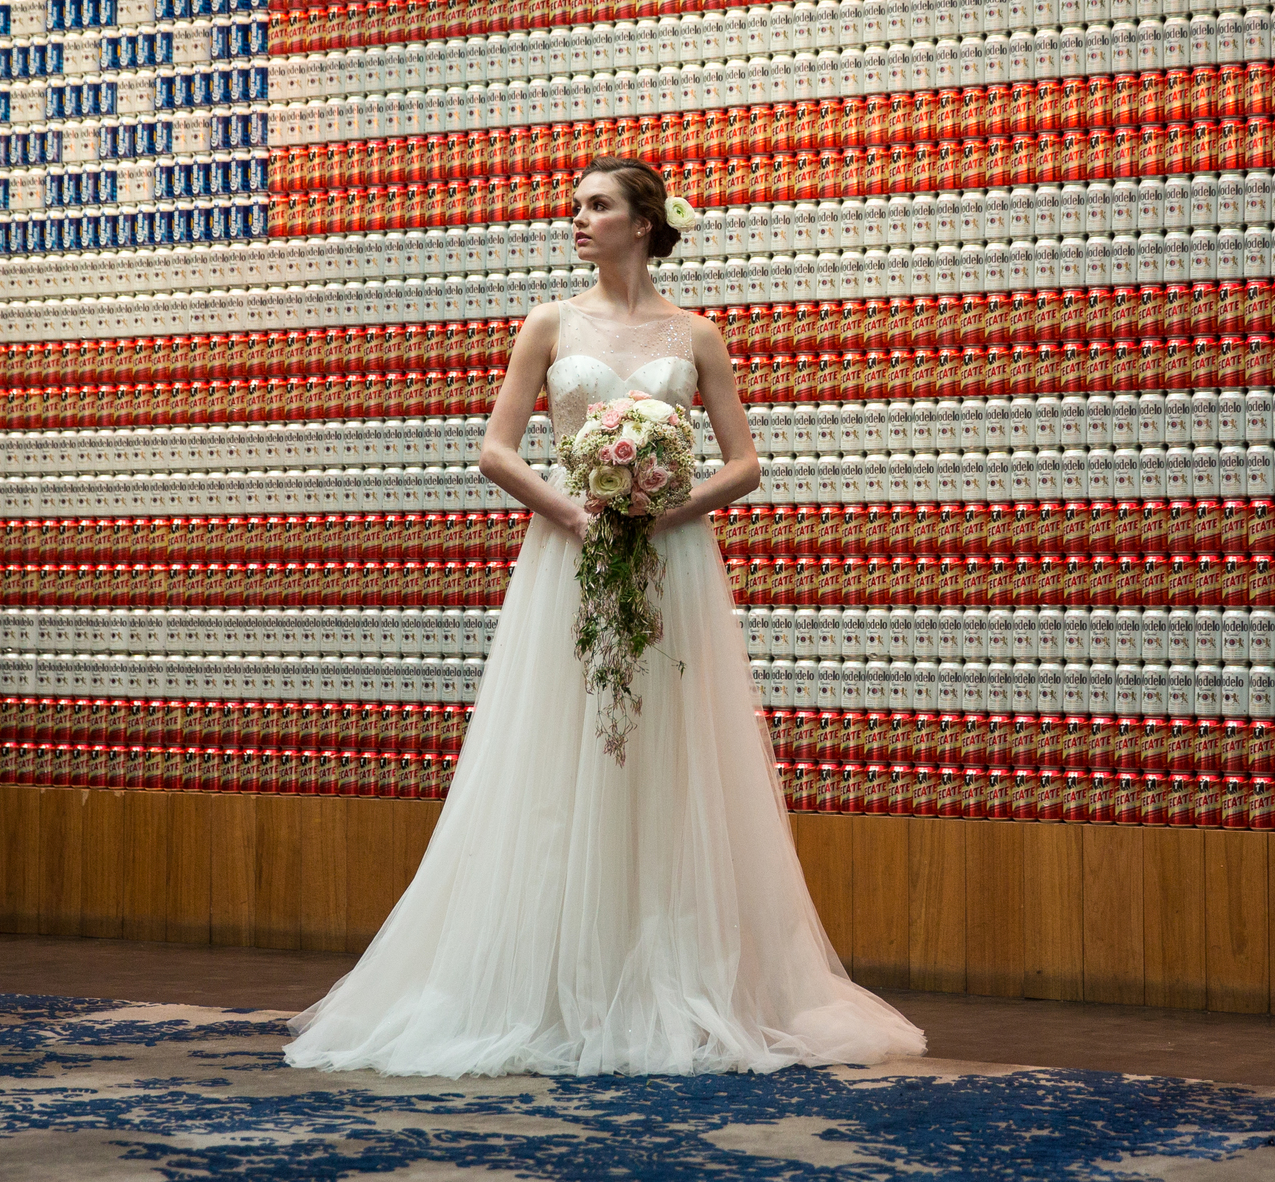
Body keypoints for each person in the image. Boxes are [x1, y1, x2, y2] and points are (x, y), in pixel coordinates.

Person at [285, 159, 927, 1077]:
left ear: (643, 221)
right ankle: (550, 980)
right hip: (571, 556)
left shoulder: (696, 333)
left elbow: (744, 464)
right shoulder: (550, 322)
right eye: (576, 207)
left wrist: (668, 509)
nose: (577, 220)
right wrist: (577, 511)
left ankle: (672, 971)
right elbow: (495, 451)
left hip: (669, 563)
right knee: (560, 754)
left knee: (668, 755)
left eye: (597, 206)